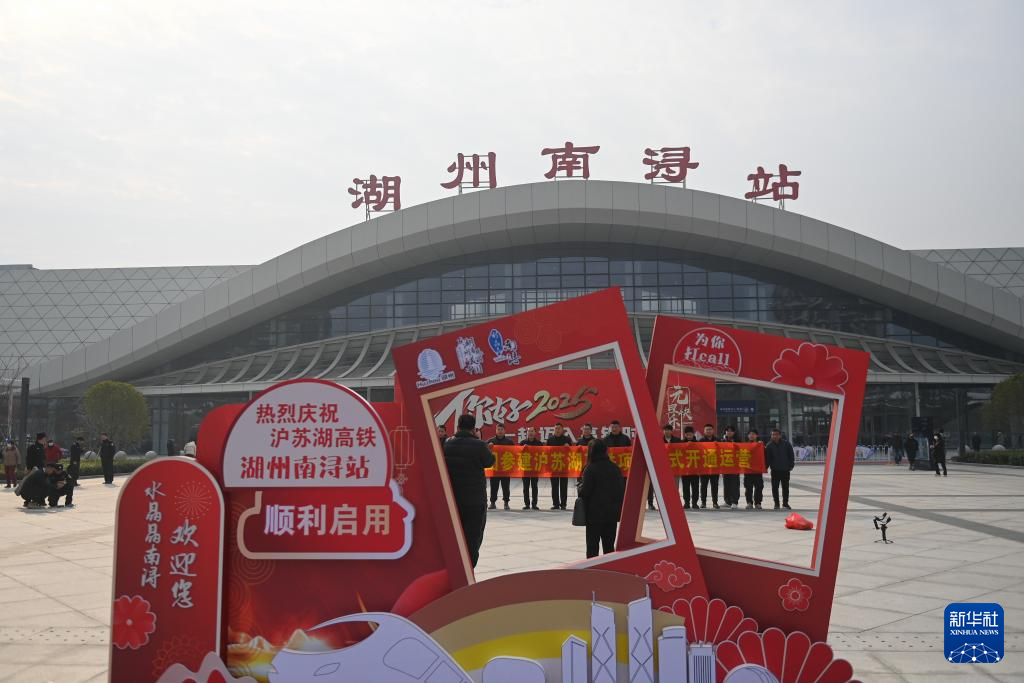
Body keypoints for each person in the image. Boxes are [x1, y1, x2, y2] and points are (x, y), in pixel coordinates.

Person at [442, 414, 495, 568]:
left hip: (454, 499)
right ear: (473, 428)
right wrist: (486, 447)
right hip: (475, 500)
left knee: (455, 536)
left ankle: (455, 566)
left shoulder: (447, 444)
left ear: (458, 427)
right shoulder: (479, 445)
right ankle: (469, 568)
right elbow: (489, 461)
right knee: (473, 537)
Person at [578, 439, 625, 558]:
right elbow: (621, 490)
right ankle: (609, 568)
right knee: (609, 547)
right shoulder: (614, 468)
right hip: (611, 515)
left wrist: (579, 488)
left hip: (594, 515)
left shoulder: (590, 468)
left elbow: (585, 492)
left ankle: (593, 569)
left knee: (592, 547)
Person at [546, 422, 575, 510]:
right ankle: (555, 504)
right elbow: (546, 452)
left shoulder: (567, 439)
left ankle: (563, 504)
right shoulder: (550, 440)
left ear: (562, 430)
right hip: (553, 466)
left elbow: (572, 452)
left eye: (559, 428)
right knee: (554, 486)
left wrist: (568, 447)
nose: (557, 430)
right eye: (556, 428)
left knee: (563, 486)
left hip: (564, 466)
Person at [765, 428, 795, 510]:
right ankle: (776, 504)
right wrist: (765, 468)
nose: (774, 436)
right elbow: (767, 458)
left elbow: (791, 455)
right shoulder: (769, 445)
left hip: (785, 469)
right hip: (775, 470)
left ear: (780, 435)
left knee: (785, 487)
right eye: (773, 435)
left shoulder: (786, 444)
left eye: (776, 434)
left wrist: (791, 465)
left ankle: (785, 503)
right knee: (775, 488)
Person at [486, 424, 514, 510]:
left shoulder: (509, 442)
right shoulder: (490, 441)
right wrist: (488, 446)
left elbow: (515, 452)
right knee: (494, 487)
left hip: (505, 469)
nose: (500, 431)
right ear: (496, 430)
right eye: (498, 429)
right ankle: (492, 503)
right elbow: (484, 450)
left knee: (506, 487)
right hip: (495, 468)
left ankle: (506, 503)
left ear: (505, 431)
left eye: (502, 429)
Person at [519, 426, 543, 510]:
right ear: (527, 433)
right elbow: (518, 454)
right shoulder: (523, 443)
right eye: (529, 431)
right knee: (525, 487)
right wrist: (523, 448)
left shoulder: (539, 443)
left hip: (535, 468)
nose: (530, 433)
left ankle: (534, 504)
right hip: (525, 468)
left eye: (532, 431)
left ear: (535, 433)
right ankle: (527, 504)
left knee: (534, 487)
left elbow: (543, 454)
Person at [699, 423, 720, 509]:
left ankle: (715, 502)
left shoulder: (717, 440)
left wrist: (717, 445)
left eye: (710, 429)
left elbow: (722, 452)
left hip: (715, 467)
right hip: (704, 467)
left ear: (713, 430)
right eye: (707, 429)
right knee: (703, 485)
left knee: (715, 485)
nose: (708, 431)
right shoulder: (701, 441)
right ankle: (703, 502)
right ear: (704, 431)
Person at [679, 426, 701, 509]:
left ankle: (695, 503)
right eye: (687, 435)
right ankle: (687, 502)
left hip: (695, 469)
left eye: (690, 434)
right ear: (685, 435)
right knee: (685, 487)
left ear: (693, 434)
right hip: (685, 469)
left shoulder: (697, 443)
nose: (689, 436)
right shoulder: (681, 443)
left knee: (695, 487)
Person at [721, 425, 741, 510]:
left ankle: (734, 501)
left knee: (734, 484)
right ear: (725, 432)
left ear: (734, 432)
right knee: (726, 484)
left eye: (731, 431)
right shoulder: (722, 441)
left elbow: (742, 450)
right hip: (725, 465)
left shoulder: (738, 440)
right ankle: (727, 501)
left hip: (735, 466)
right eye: (727, 431)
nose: (729, 432)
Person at [662, 423, 682, 507]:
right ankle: (665, 502)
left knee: (675, 486)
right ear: (663, 431)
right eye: (665, 430)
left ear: (671, 431)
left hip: (675, 467)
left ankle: (675, 502)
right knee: (664, 486)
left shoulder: (677, 440)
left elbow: (682, 451)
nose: (667, 431)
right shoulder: (659, 440)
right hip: (663, 467)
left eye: (668, 430)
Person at [743, 429, 764, 510]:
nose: (751, 435)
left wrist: (762, 446)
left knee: (759, 487)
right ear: (748, 436)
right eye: (750, 434)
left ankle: (758, 503)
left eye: (753, 434)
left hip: (757, 470)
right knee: (748, 487)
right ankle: (749, 503)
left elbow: (765, 456)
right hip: (748, 470)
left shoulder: (760, 445)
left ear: (756, 435)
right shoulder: (745, 445)